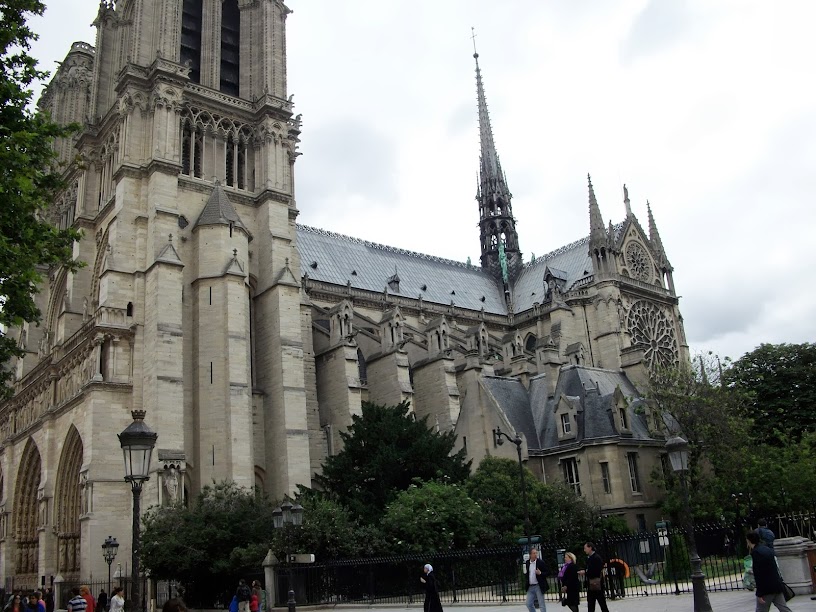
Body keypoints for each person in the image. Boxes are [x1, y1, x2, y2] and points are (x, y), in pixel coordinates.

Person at [747, 531, 792, 612]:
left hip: (766, 588)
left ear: (749, 541)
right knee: (784, 608)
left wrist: (759, 593)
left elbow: (759, 574)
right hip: (777, 585)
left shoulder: (756, 552)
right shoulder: (767, 549)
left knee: (761, 610)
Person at [581, 542, 610, 612]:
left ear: (590, 548)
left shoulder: (596, 558)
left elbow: (596, 571)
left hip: (597, 584)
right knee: (591, 604)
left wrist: (586, 572)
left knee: (602, 604)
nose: (584, 550)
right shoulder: (589, 558)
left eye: (585, 548)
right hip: (591, 584)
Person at [524, 548, 548, 612]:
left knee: (541, 604)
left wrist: (540, 573)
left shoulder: (540, 562)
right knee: (528, 603)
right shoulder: (527, 563)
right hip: (530, 586)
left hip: (538, 585)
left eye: (536, 553)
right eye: (534, 553)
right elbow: (527, 573)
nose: (535, 554)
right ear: (530, 555)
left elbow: (547, 572)